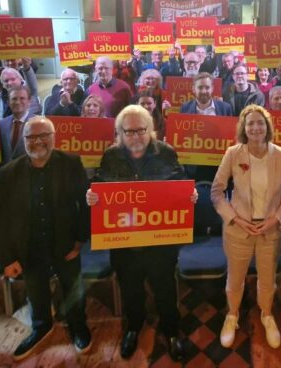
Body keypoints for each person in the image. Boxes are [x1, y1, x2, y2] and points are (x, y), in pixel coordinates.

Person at [86, 105, 197, 362]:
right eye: (129, 131)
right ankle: (133, 328)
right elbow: (101, 188)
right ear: (120, 133)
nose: (135, 136)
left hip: (160, 242)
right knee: (131, 290)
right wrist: (93, 197)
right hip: (125, 242)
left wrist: (189, 196)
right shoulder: (111, 156)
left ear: (150, 130)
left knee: (165, 289)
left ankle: (171, 331)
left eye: (140, 130)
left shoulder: (166, 152)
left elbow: (180, 184)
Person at [0, 116, 92, 361]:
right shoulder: (8, 173)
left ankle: (78, 326)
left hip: (65, 243)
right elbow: (0, 219)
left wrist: (80, 240)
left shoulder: (72, 163)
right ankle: (41, 327)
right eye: (31, 137)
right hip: (28, 247)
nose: (37, 141)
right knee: (36, 292)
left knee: (73, 290)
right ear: (24, 140)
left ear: (54, 137)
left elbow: (85, 204)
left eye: (43, 135)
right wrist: (7, 258)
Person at [212, 104, 281, 350]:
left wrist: (276, 218)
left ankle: (267, 314)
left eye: (260, 123)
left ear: (267, 126)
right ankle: (232, 315)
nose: (256, 127)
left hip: (270, 229)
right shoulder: (233, 154)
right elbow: (217, 192)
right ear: (244, 128)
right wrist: (235, 218)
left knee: (267, 280)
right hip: (239, 229)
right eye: (251, 124)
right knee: (235, 278)